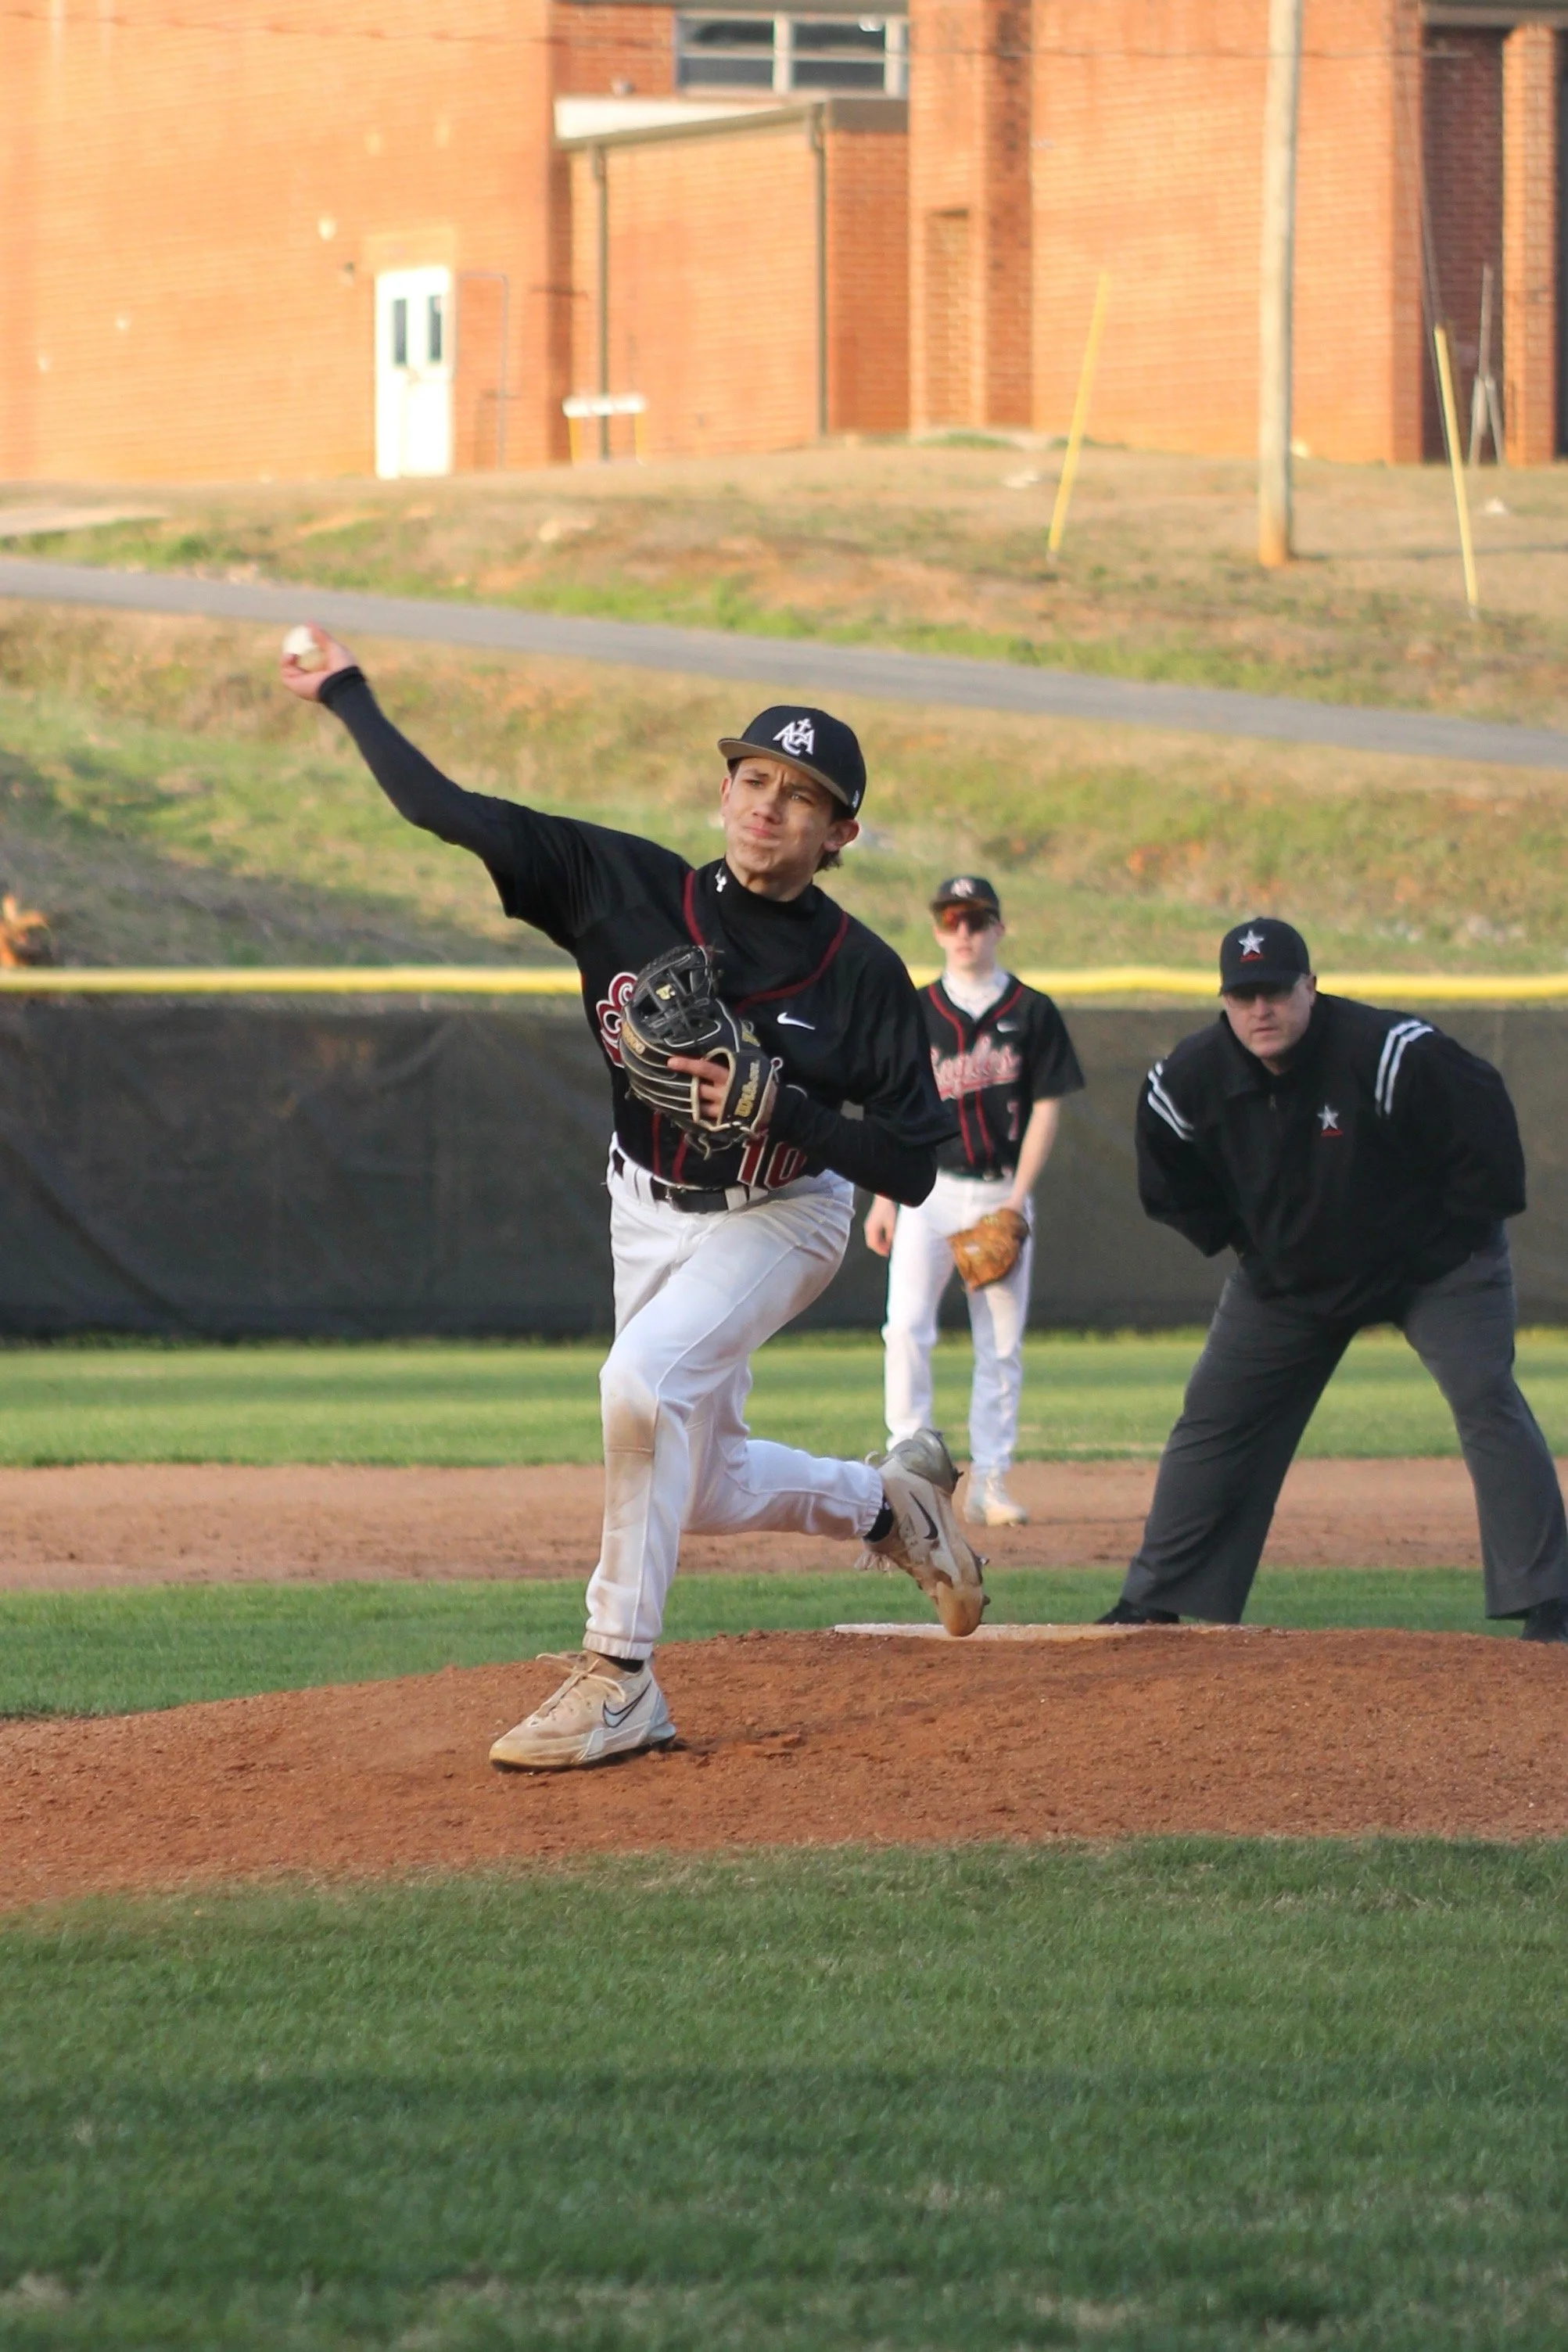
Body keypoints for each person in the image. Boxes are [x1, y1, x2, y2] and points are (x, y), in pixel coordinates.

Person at [282, 626, 986, 1769]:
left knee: (640, 1383)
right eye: (753, 778)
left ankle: (619, 1676)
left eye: (802, 796)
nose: (768, 806)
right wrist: (345, 691)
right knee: (695, 1480)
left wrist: (784, 1110)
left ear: (839, 834)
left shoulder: (860, 974)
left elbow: (910, 1165)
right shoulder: (619, 883)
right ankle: (892, 1506)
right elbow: (443, 809)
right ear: (724, 790)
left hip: (780, 1213)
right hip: (644, 1204)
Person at [1100, 915, 1568, 1639]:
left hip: (1435, 1266)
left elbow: (1485, 1131)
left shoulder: (1387, 1052)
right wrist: (1252, 1244)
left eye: (1275, 991)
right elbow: (1169, 1178)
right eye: (1243, 995)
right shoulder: (1188, 1080)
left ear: (1310, 987)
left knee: (1484, 1396)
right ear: (1223, 1001)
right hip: (1294, 1277)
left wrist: (1450, 1233)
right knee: (1215, 1417)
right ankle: (1152, 1597)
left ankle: (1550, 1597)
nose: (1260, 1009)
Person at [863, 875, 1084, 1527]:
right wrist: (883, 1198)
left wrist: (1016, 1200)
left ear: (998, 928)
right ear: (937, 929)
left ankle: (990, 1480)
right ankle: (910, 1468)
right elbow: (891, 1107)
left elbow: (1046, 1109)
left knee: (1000, 1345)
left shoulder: (1032, 1010)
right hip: (925, 1190)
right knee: (905, 1327)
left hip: (998, 1191)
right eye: (951, 919)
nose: (963, 932)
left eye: (976, 920)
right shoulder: (916, 1008)